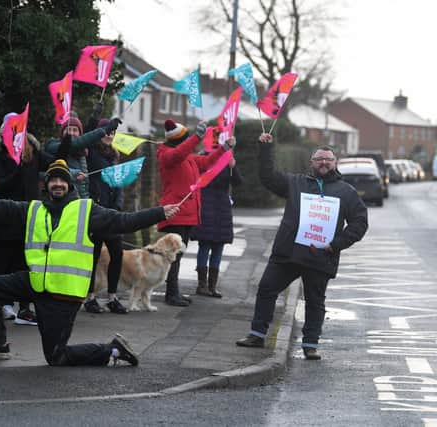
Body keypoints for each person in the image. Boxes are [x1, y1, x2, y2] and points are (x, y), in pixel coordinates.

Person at [0, 155, 180, 364]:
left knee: (56, 357)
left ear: (69, 184)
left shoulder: (86, 210)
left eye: (62, 179)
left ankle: (113, 349)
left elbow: (124, 221)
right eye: (53, 179)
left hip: (64, 296)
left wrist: (158, 213)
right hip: (36, 283)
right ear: (46, 185)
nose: (58, 183)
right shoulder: (34, 210)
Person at [236, 134, 368, 360]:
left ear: (335, 163)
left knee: (315, 302)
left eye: (328, 159)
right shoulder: (295, 183)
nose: (323, 163)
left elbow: (360, 223)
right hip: (288, 253)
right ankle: (257, 334)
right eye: (319, 159)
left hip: (320, 256)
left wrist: (335, 245)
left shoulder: (346, 192)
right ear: (311, 163)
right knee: (267, 289)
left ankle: (310, 344)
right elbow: (267, 177)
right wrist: (266, 148)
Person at [157, 119, 228, 307]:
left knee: (178, 255)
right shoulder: (167, 155)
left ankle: (174, 292)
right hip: (176, 211)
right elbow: (178, 154)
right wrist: (197, 137)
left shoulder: (186, 156)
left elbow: (205, 162)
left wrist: (223, 149)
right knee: (174, 256)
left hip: (187, 212)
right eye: (186, 138)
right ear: (181, 140)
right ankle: (171, 293)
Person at [0, 123, 53, 325]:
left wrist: (67, 138)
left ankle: (25, 309)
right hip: (5, 220)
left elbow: (56, 162)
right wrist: (17, 169)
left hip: (28, 219)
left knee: (26, 264)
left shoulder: (33, 155)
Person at [84, 118, 127, 314]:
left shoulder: (114, 156)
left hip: (112, 214)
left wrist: (118, 205)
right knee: (92, 257)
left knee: (117, 254)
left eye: (112, 133)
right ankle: (90, 297)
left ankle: (112, 297)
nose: (110, 135)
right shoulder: (91, 153)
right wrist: (99, 118)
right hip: (96, 212)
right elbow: (88, 133)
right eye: (107, 132)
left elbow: (119, 184)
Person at [190, 138, 242, 298]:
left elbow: (238, 182)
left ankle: (211, 286)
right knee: (205, 245)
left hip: (222, 209)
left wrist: (234, 167)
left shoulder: (227, 160)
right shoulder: (203, 159)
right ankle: (202, 285)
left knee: (218, 247)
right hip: (207, 206)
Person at [44, 115, 121, 198]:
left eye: (75, 130)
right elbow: (75, 143)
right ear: (62, 132)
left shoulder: (83, 152)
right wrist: (104, 130)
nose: (72, 133)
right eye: (68, 130)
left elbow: (84, 186)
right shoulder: (53, 146)